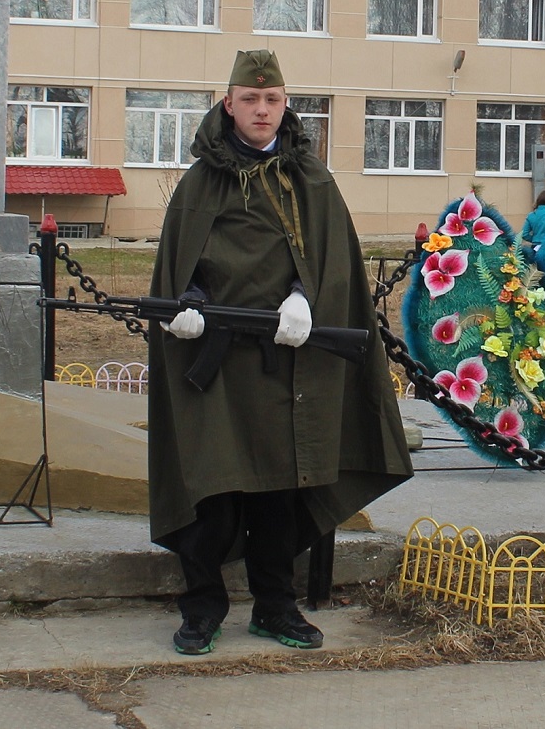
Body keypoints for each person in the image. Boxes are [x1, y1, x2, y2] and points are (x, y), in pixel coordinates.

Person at [147, 49, 413, 656]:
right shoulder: (199, 182)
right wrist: (187, 302)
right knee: (212, 483)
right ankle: (203, 610)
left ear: (284, 104)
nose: (260, 110)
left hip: (287, 359)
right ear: (229, 104)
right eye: (249, 99)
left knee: (278, 490)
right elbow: (181, 260)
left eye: (271, 100)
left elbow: (331, 261)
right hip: (212, 363)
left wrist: (303, 298)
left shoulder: (310, 180)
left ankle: (275, 606)